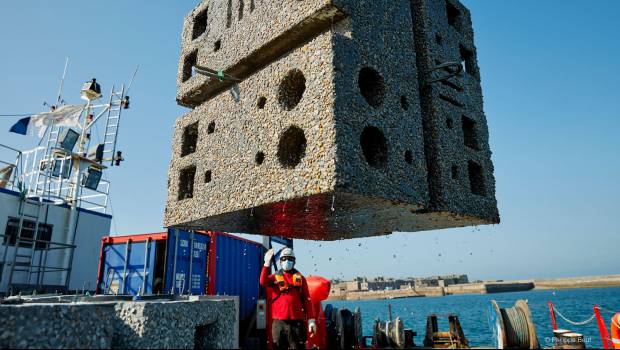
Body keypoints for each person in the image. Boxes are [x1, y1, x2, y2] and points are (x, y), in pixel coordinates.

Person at [260, 247, 316, 349]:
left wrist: (311, 320)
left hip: (296, 322)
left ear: (294, 262)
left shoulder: (301, 278)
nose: (287, 261)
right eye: (284, 259)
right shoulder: (274, 277)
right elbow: (262, 281)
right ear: (280, 261)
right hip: (279, 322)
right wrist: (266, 264)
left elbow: (307, 300)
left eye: (290, 259)